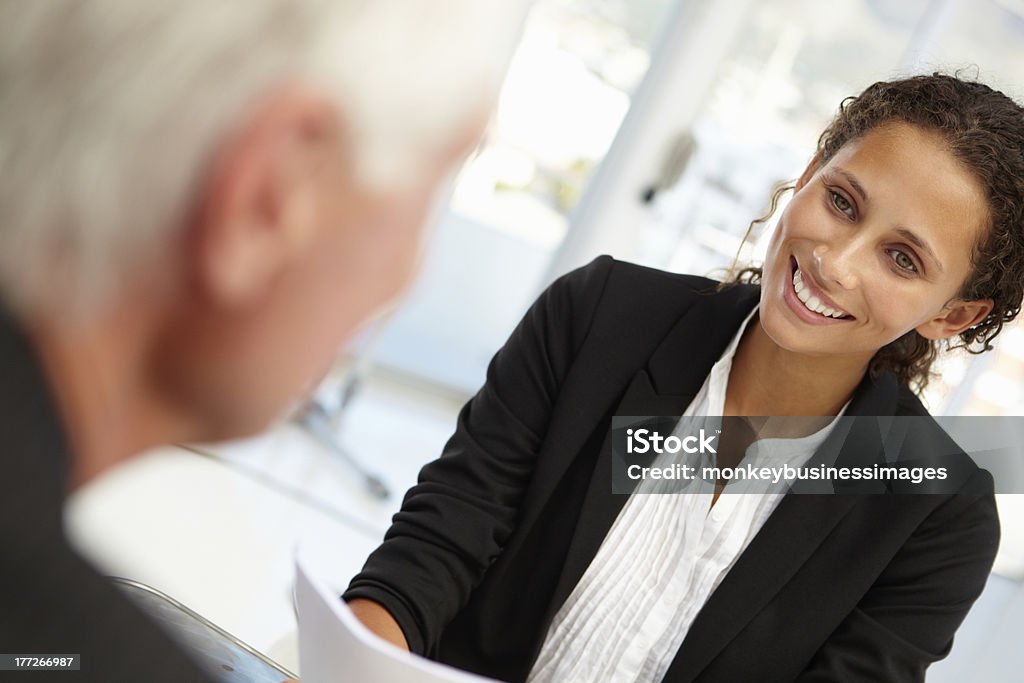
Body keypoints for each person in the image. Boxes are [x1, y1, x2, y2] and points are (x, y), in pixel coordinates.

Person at [344, 74, 1024, 682]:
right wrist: (348, 667)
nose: (836, 263)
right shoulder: (600, 316)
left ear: (954, 314)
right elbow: (441, 542)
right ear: (811, 170)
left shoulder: (936, 514)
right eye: (843, 201)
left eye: (902, 259)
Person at [0, 1, 527, 680]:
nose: (406, 279)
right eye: (431, 189)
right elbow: (455, 526)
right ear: (268, 194)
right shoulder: (608, 314)